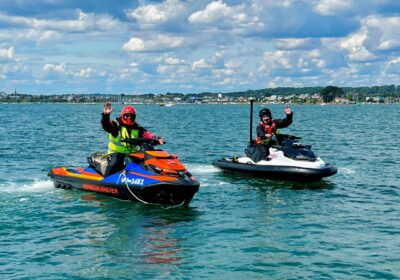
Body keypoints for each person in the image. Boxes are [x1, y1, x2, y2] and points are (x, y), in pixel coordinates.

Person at [101, 102, 164, 176]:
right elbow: (106, 125)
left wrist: (156, 138)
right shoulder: (116, 125)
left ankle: (153, 176)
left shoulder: (137, 127)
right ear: (122, 116)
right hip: (116, 153)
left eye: (132, 116)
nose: (129, 118)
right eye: (127, 116)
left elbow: (147, 134)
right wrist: (106, 115)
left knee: (146, 161)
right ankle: (106, 181)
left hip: (132, 154)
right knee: (114, 163)